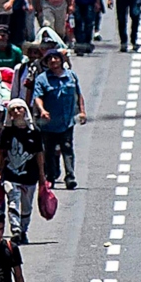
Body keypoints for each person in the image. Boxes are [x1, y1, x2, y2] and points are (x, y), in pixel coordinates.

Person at [0, 99, 47, 244]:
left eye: (20, 108)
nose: (17, 111)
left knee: (27, 206)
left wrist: (42, 176)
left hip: (30, 176)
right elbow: (0, 152)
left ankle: (23, 229)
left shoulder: (34, 132)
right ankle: (15, 229)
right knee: (13, 200)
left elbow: (39, 154)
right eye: (13, 109)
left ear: (25, 111)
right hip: (11, 174)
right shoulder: (7, 132)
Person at [33, 50, 86, 190]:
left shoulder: (71, 76)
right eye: (50, 59)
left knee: (67, 148)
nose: (53, 61)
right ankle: (50, 177)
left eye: (56, 58)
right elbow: (37, 97)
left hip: (67, 121)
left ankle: (70, 177)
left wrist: (82, 112)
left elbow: (78, 95)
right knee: (49, 151)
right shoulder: (42, 79)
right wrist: (42, 110)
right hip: (48, 124)